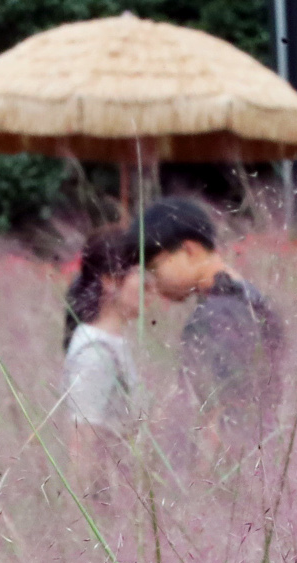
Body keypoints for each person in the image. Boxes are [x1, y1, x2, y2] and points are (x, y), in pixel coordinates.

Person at [131, 196, 283, 459]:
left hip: (232, 472)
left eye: (155, 269)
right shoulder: (254, 300)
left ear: (189, 249)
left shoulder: (215, 315)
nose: (153, 283)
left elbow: (221, 413)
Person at [61, 226, 143, 497]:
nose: (149, 284)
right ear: (110, 281)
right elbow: (81, 449)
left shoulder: (113, 342)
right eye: (139, 273)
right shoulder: (95, 351)